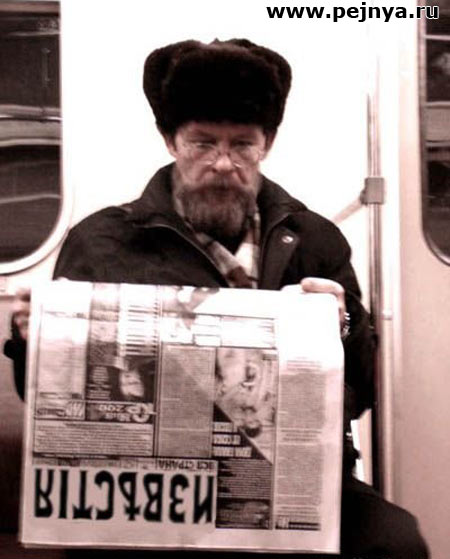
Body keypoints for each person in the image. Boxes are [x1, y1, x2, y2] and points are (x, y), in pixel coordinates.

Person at [5, 38, 429, 558]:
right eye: (203, 144)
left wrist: (344, 327)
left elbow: (360, 394)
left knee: (395, 540)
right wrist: (35, 339)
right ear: (171, 141)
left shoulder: (314, 241)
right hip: (156, 488)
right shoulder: (103, 241)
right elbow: (46, 403)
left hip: (289, 478)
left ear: (267, 144)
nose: (223, 163)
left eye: (242, 145)